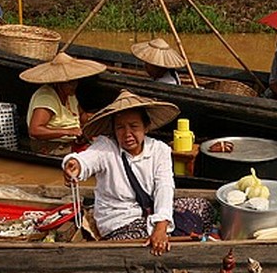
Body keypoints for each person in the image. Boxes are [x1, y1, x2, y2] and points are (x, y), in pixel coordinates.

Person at [61, 90, 214, 256]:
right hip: (120, 221)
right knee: (154, 238)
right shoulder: (106, 147)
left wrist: (161, 226)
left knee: (204, 207)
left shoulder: (159, 150)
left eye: (133, 127)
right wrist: (74, 165)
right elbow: (86, 160)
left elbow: (164, 187)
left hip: (150, 211)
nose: (127, 134)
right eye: (120, 128)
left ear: (146, 127)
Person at [20, 52, 106, 153]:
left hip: (71, 141)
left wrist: (96, 119)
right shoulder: (46, 98)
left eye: (75, 81)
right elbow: (35, 130)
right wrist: (68, 132)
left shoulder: (70, 95)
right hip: (50, 145)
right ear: (59, 82)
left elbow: (81, 115)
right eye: (70, 83)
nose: (74, 86)